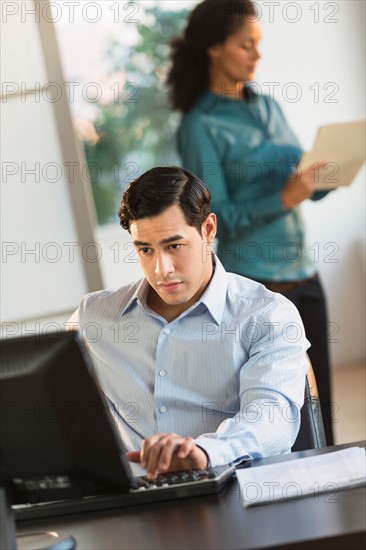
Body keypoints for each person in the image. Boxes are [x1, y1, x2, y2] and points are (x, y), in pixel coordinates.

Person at [71, 166, 310, 479]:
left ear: (208, 229)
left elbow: (271, 418)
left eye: (174, 246)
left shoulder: (267, 315)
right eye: (145, 249)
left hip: (240, 490)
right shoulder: (94, 318)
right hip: (142, 504)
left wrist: (204, 452)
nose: (162, 268)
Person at [167, 0, 334, 445]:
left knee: (321, 408)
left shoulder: (270, 107)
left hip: (304, 274)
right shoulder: (200, 125)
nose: (257, 55)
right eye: (246, 45)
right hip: (259, 284)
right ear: (214, 49)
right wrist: (283, 197)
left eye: (258, 45)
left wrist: (325, 176)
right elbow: (212, 220)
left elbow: (297, 177)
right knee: (282, 417)